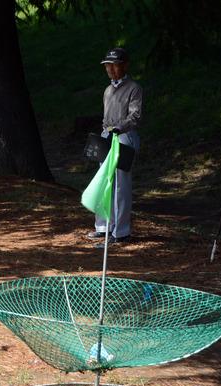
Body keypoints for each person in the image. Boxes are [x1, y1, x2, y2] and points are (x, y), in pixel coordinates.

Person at [88, 48, 142, 248]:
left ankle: (121, 232)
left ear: (125, 65)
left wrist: (119, 128)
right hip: (107, 135)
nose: (110, 69)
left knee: (120, 185)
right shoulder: (108, 90)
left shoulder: (134, 88)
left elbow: (135, 116)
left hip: (124, 136)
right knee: (103, 181)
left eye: (115, 64)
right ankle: (103, 227)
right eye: (107, 65)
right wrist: (105, 131)